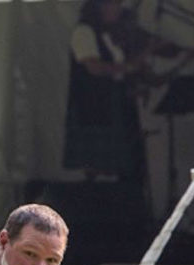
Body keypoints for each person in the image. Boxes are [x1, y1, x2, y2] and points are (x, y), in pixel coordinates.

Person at [63, 0, 147, 183]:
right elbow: (93, 67)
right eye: (113, 5)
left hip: (113, 102)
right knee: (94, 159)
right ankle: (95, 199)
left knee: (121, 158)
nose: (117, 11)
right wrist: (127, 68)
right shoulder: (84, 32)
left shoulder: (107, 35)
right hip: (93, 104)